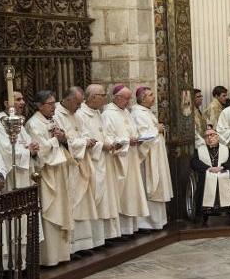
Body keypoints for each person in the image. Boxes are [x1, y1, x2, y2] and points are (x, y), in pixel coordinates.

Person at [25, 90, 72, 266]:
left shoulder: (53, 120)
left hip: (59, 171)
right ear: (39, 105)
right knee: (50, 212)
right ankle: (49, 257)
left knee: (62, 209)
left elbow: (63, 139)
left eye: (54, 103)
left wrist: (63, 138)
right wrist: (55, 140)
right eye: (50, 104)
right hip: (47, 175)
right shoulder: (33, 124)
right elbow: (40, 151)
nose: (54, 107)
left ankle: (62, 255)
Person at [54, 87, 99, 252]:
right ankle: (72, 247)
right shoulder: (57, 115)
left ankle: (84, 243)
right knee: (73, 204)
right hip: (69, 166)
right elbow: (64, 141)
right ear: (68, 99)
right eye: (78, 103)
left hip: (82, 164)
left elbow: (84, 133)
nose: (79, 107)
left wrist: (88, 140)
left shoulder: (77, 115)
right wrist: (83, 143)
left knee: (84, 205)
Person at [75, 84, 122, 242]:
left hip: (105, 160)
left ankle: (106, 236)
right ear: (93, 97)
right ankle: (95, 238)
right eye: (103, 95)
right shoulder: (81, 114)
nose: (105, 98)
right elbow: (86, 137)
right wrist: (103, 145)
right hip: (93, 162)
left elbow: (104, 133)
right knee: (97, 198)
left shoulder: (97, 113)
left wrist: (112, 142)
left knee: (107, 199)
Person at [101, 85, 149, 235]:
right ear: (117, 98)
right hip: (118, 161)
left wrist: (137, 139)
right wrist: (127, 141)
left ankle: (130, 229)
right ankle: (119, 231)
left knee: (131, 194)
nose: (129, 102)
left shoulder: (126, 112)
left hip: (131, 158)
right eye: (126, 98)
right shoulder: (108, 114)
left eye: (130, 99)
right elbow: (107, 138)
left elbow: (132, 131)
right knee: (121, 196)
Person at [132, 86, 174, 230]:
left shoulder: (147, 112)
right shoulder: (138, 114)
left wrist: (158, 130)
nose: (153, 98)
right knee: (150, 187)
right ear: (142, 98)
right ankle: (146, 223)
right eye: (150, 95)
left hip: (156, 155)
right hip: (148, 159)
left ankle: (158, 221)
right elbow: (142, 137)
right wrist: (158, 129)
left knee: (158, 187)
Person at [0, 91, 39, 189]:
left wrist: (34, 147)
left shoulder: (16, 120)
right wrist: (29, 152)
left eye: (22, 99)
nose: (23, 102)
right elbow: (5, 152)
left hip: (25, 174)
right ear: (7, 104)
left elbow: (28, 142)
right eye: (18, 99)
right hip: (12, 177)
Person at [190, 126, 230, 226]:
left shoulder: (225, 149)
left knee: (229, 177)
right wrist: (209, 168)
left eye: (212, 135)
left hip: (223, 174)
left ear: (217, 136)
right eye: (207, 136)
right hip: (207, 176)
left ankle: (229, 209)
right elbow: (194, 162)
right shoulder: (199, 150)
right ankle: (203, 214)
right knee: (203, 181)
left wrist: (222, 167)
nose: (210, 138)